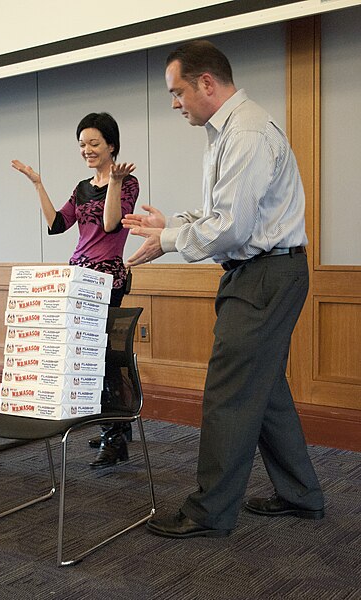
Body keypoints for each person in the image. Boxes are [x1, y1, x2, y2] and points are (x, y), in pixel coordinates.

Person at [122, 40, 324, 538]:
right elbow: (224, 217)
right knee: (264, 389)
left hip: (264, 276)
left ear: (206, 83)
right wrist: (173, 225)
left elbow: (232, 228)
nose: (175, 104)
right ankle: (302, 495)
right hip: (263, 274)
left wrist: (169, 239)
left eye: (177, 92)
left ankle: (208, 512)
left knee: (229, 394)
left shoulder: (247, 133)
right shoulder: (228, 132)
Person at [12, 112, 139, 469]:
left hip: (106, 280)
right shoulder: (81, 187)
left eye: (94, 143)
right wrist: (38, 183)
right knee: (84, 357)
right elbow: (57, 224)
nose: (87, 149)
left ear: (111, 145)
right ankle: (115, 425)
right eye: (82, 144)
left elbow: (112, 224)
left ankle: (116, 437)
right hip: (77, 279)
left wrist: (114, 182)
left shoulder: (127, 182)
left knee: (101, 359)